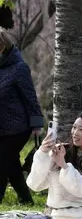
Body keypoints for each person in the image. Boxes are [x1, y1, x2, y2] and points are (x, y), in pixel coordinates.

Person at [0, 27, 42, 204]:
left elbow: (30, 96)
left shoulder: (19, 68)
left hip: (18, 128)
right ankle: (26, 199)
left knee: (1, 163)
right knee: (11, 165)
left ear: (2, 46)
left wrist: (37, 124)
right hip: (2, 129)